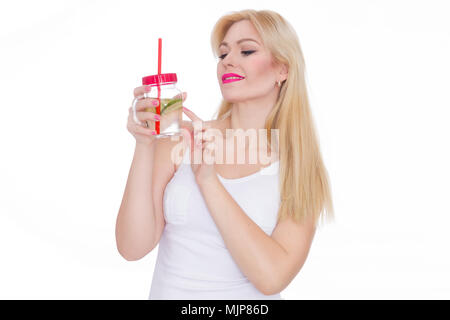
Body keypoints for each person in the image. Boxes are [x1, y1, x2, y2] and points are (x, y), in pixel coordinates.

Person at [115, 9, 334, 300]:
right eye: (222, 54)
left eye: (246, 50)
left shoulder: (299, 168)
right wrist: (144, 145)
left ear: (283, 69)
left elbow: (272, 278)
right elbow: (132, 247)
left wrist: (208, 180)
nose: (228, 60)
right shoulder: (180, 141)